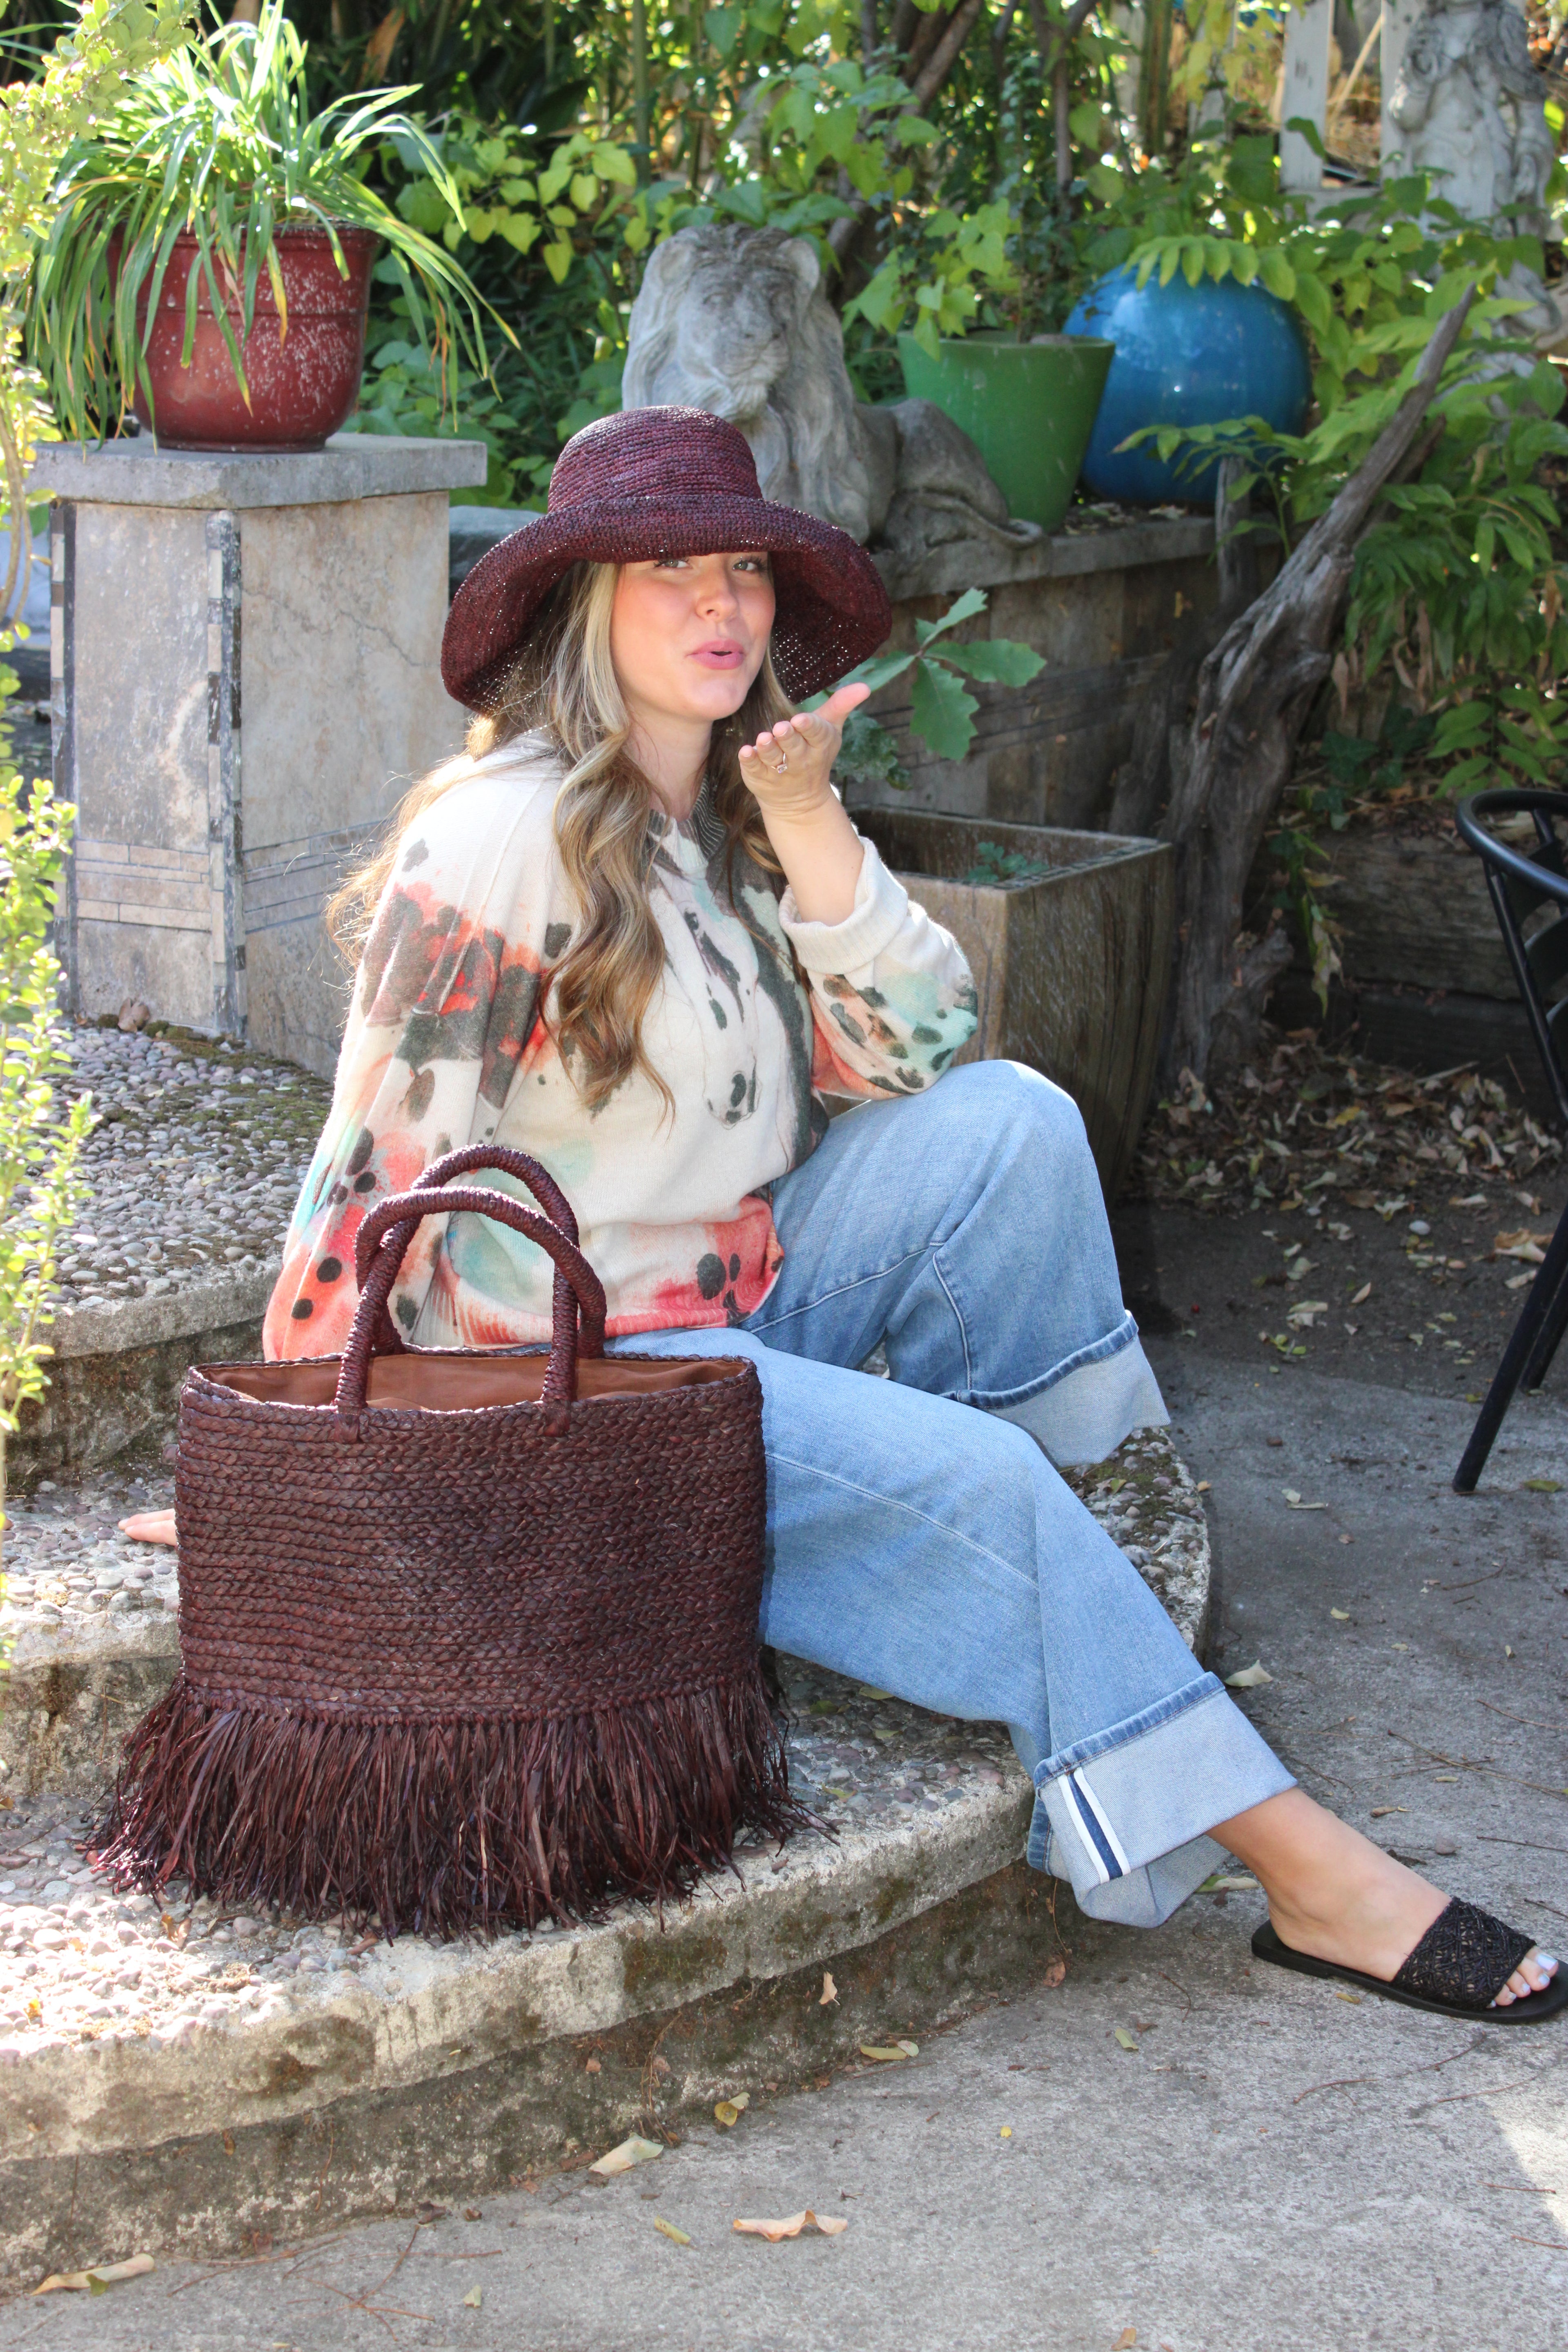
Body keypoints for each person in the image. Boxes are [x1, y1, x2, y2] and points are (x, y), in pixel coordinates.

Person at [168, 405, 1565, 2019]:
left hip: (741, 1303)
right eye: (670, 571)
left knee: (1012, 1122)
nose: (722, 602)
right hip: (588, 1394)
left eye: (746, 569)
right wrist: (283, 1466)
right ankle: (1312, 1876)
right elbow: (374, 1171)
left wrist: (813, 821)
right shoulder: (501, 835)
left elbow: (915, 1053)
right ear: (581, 608)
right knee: (977, 1479)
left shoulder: (725, 820)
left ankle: (1052, 1554)